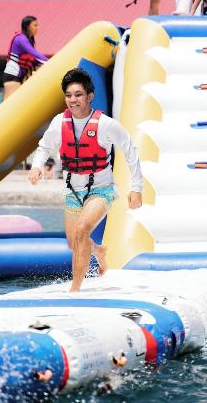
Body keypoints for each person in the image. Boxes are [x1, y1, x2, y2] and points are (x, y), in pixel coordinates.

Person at [29, 68, 143, 292]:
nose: (73, 100)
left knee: (82, 230)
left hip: (101, 190)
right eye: (69, 95)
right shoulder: (59, 122)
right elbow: (44, 147)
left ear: (90, 96)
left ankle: (75, 289)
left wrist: (136, 188)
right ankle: (98, 251)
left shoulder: (106, 124)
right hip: (73, 191)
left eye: (78, 94)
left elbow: (131, 150)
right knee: (74, 242)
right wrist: (36, 166)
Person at [3, 15, 48, 101]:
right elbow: (35, 54)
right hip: (12, 76)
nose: (37, 28)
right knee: (10, 105)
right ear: (27, 27)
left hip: (18, 77)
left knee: (14, 104)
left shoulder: (28, 40)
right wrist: (52, 62)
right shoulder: (20, 39)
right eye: (35, 25)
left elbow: (35, 60)